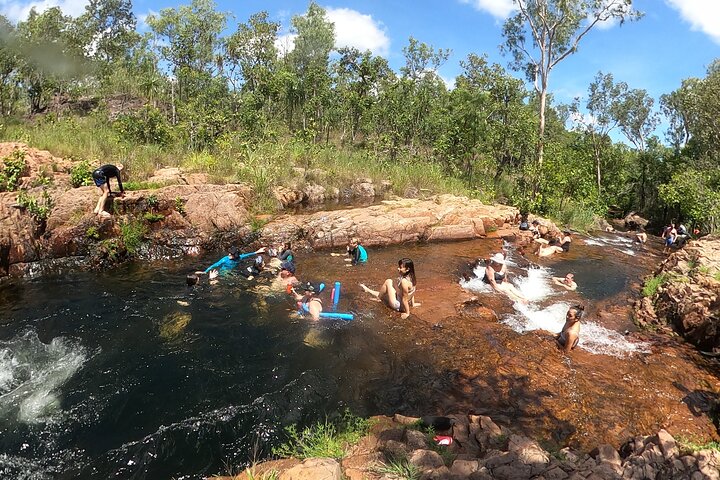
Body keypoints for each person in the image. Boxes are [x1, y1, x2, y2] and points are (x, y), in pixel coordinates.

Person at [195, 246, 266, 276]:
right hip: (224, 272)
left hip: (233, 270)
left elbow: (246, 255)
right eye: (229, 253)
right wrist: (205, 272)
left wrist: (256, 252)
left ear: (236, 255)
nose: (229, 254)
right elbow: (215, 265)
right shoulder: (224, 259)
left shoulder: (239, 258)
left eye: (231, 254)